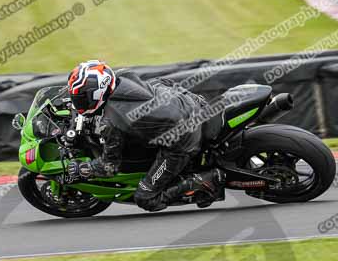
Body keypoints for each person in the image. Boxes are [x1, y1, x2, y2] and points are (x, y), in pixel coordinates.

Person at [65, 60, 225, 212]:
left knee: (145, 198)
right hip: (187, 100)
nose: (78, 103)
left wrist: (82, 168)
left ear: (97, 93)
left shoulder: (112, 122)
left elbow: (109, 167)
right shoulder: (122, 76)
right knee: (157, 83)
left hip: (185, 137)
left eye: (81, 99)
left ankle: (207, 181)